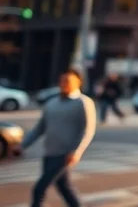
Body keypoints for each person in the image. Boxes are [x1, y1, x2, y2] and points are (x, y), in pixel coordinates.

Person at [22, 69, 96, 207]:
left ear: (78, 82)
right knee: (64, 188)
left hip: (65, 155)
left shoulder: (83, 102)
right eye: (62, 81)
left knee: (39, 189)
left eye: (68, 81)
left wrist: (76, 151)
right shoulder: (51, 103)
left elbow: (87, 130)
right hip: (49, 153)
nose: (64, 84)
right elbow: (39, 128)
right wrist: (22, 145)